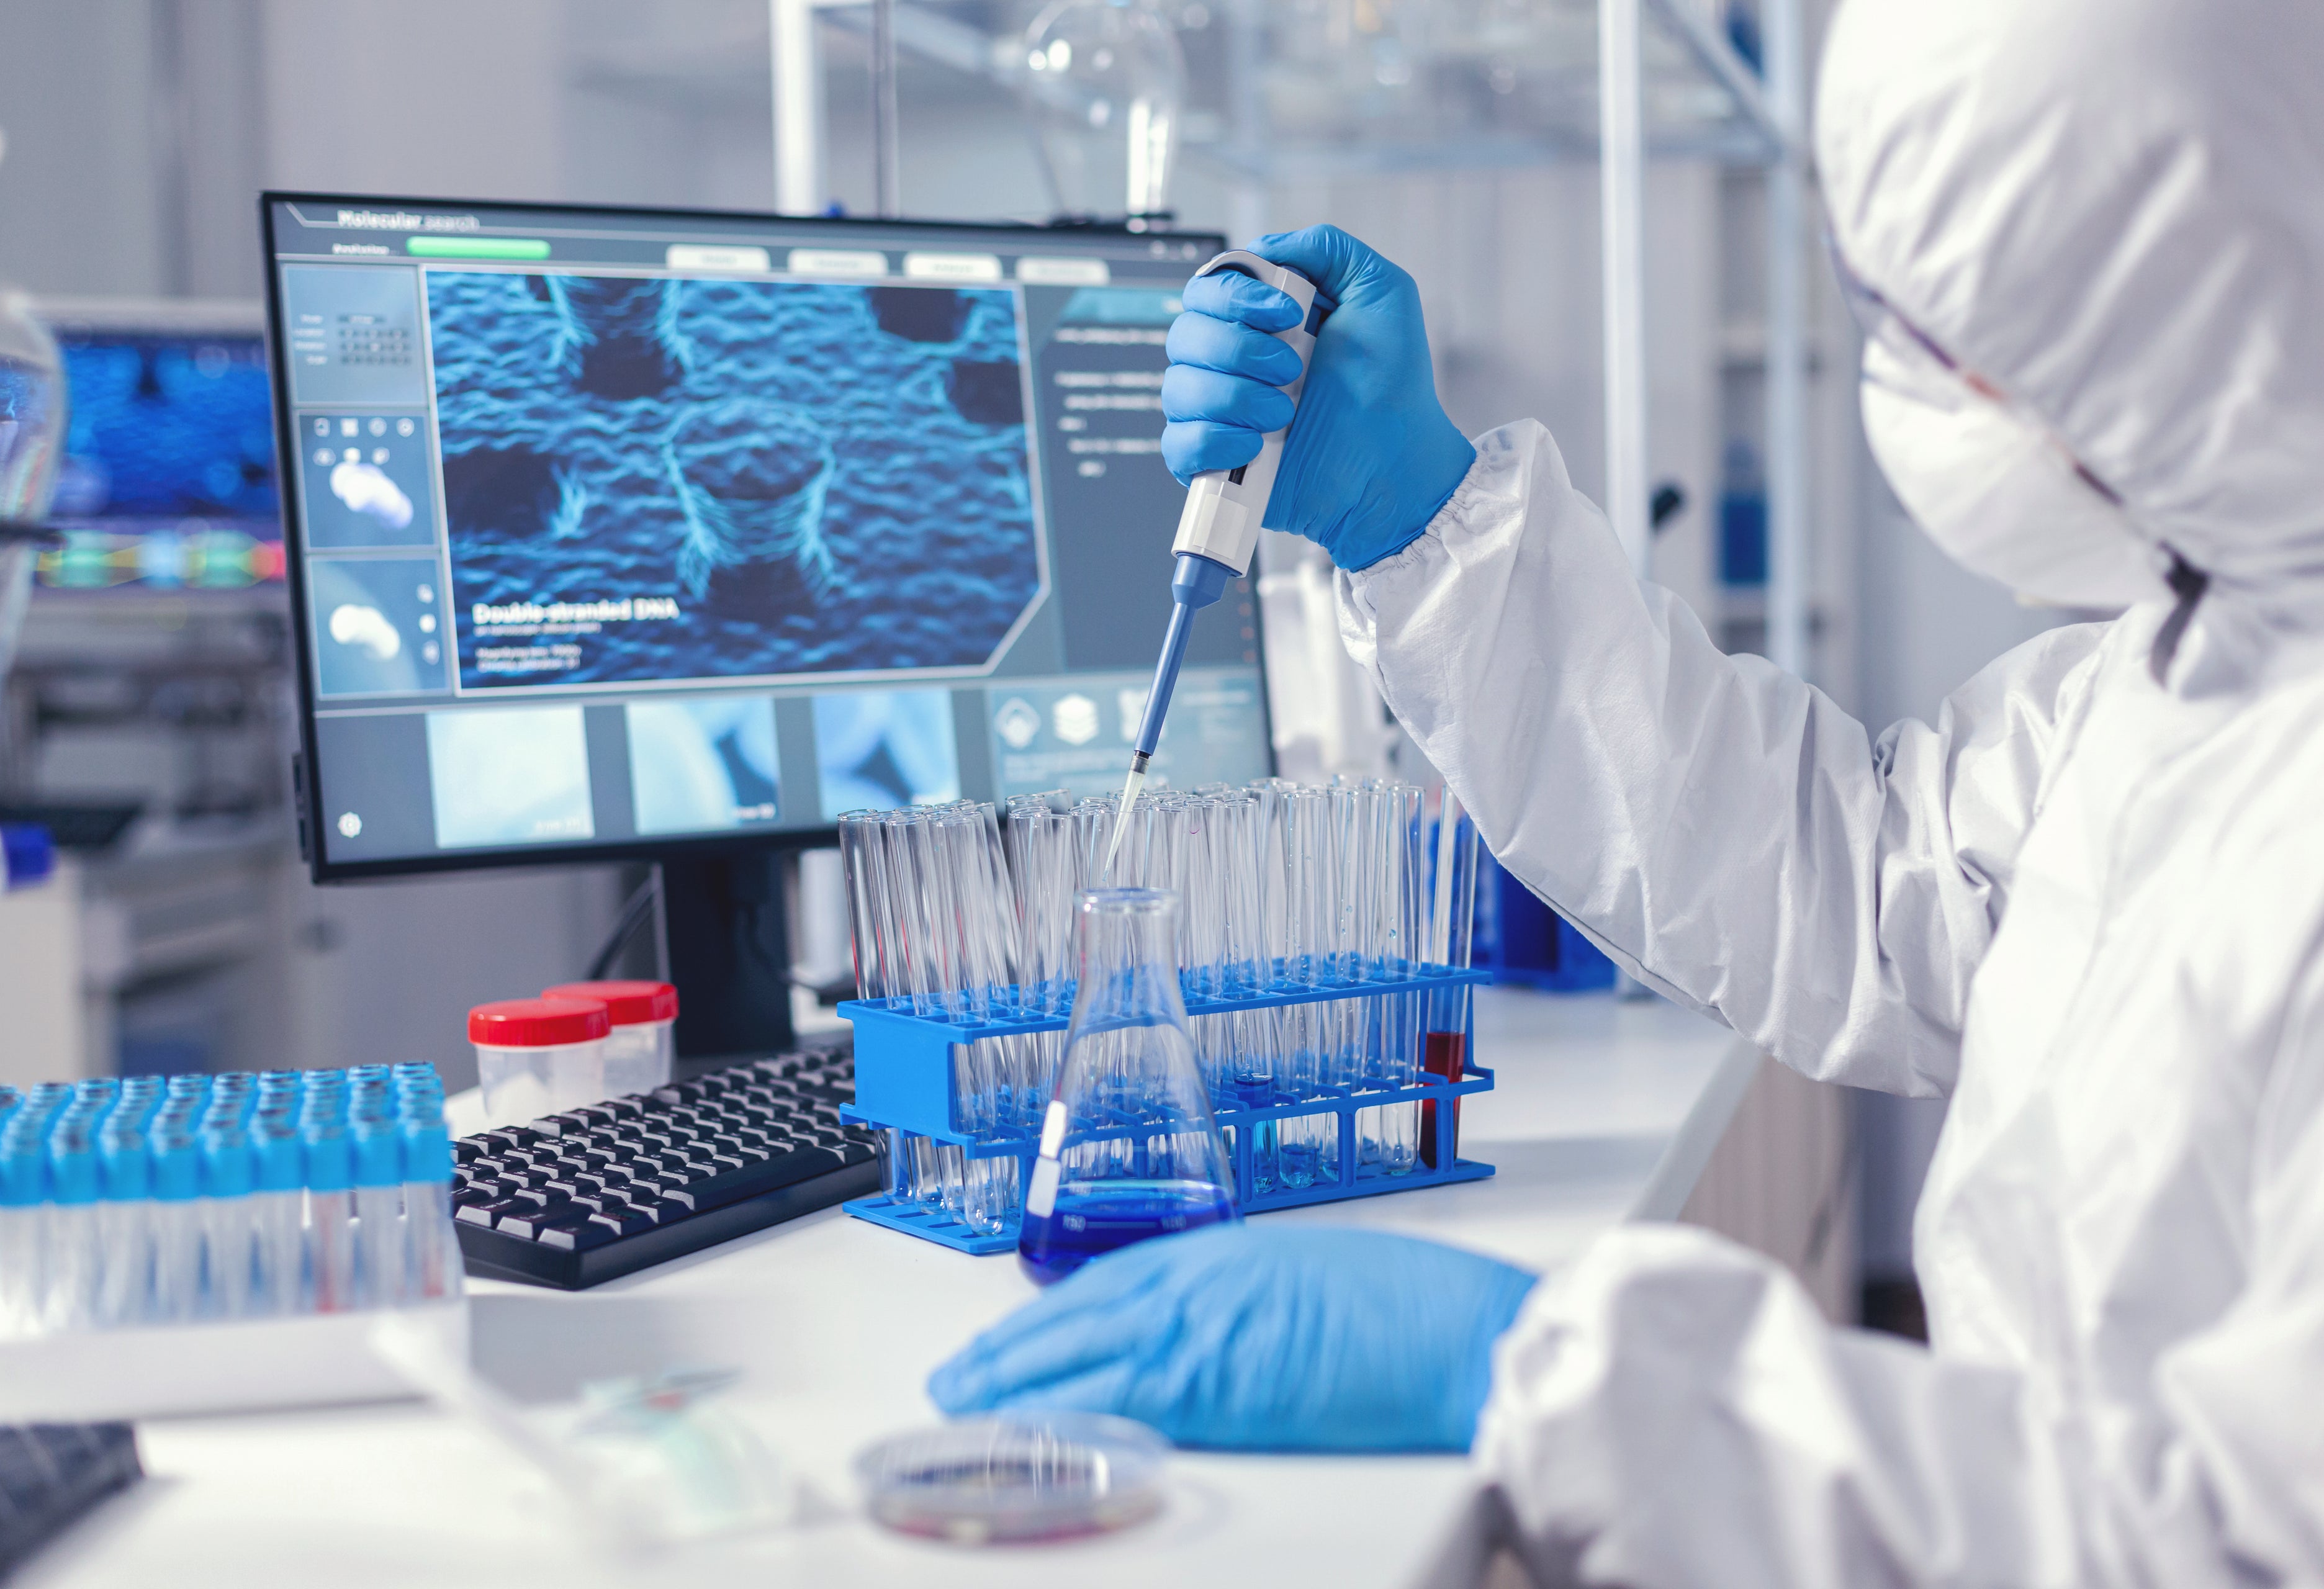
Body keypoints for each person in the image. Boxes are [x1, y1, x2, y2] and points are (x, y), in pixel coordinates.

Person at [931, 0, 2324, 1580]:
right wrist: (1419, 522)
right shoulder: (2213, 649)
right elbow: (1864, 883)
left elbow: (2216, 1545)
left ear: (2198, 326)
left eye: (1946, 352)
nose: (1911, 397)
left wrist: (1546, 1372)